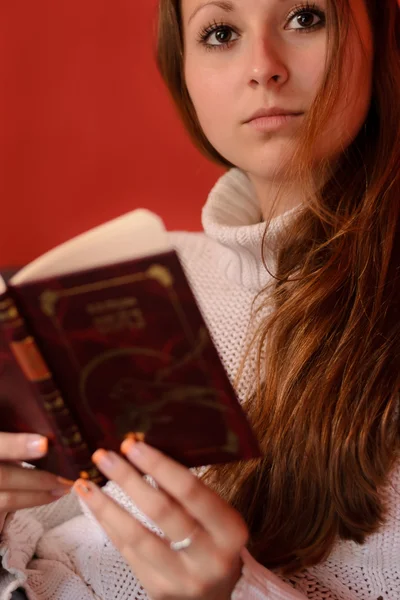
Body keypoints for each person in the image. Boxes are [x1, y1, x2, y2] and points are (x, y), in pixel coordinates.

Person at [0, 0, 399, 598]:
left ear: (384, 40)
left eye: (307, 18)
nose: (263, 67)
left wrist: (231, 593)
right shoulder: (135, 278)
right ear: (182, 74)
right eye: (220, 32)